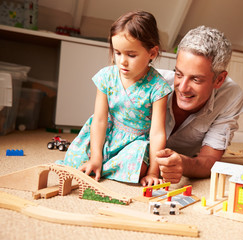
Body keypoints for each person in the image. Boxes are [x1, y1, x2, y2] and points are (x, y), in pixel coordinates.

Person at [56, 10, 172, 186]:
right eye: (117, 53)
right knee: (75, 158)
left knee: (139, 167)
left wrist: (153, 171)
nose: (122, 61)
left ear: (152, 53)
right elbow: (100, 120)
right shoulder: (107, 77)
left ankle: (107, 167)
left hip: (135, 141)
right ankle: (100, 164)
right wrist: (96, 156)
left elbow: (156, 133)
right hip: (106, 134)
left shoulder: (157, 86)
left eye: (131, 55)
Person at [155, 26, 243, 183]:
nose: (182, 88)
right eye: (178, 74)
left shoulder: (230, 96)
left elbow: (210, 160)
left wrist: (182, 163)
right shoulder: (153, 83)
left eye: (196, 79)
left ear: (219, 80)